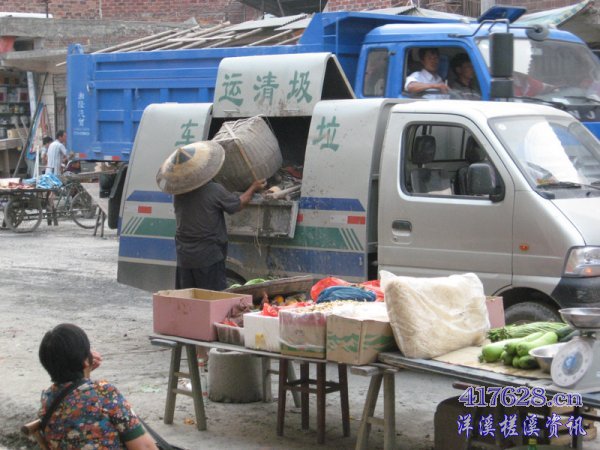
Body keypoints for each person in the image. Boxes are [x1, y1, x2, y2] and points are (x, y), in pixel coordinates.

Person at [156, 141, 266, 291]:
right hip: (208, 258)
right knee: (211, 297)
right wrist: (253, 187)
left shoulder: (178, 194)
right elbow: (237, 205)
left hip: (184, 258)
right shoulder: (213, 190)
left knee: (188, 298)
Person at [38, 323, 158, 449]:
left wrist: (83, 368)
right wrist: (84, 368)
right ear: (85, 360)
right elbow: (145, 447)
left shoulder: (47, 399)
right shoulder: (104, 393)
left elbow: (75, 392)